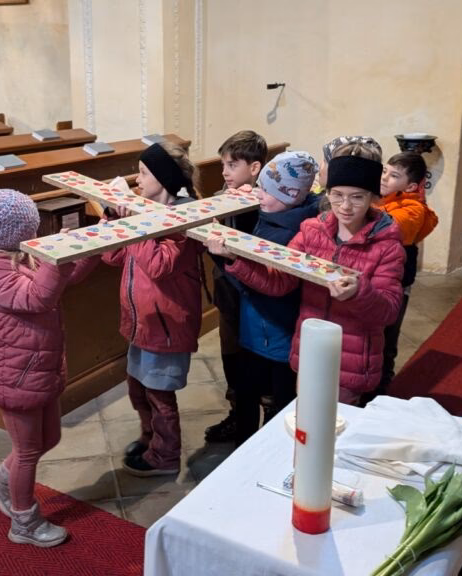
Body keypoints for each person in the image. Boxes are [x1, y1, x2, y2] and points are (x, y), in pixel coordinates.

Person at [0, 184, 98, 547]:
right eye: (32, 229)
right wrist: (57, 258)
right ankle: (23, 522)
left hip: (39, 366)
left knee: (48, 438)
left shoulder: (20, 254)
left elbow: (64, 279)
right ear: (14, 233)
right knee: (26, 452)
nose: (37, 234)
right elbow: (37, 297)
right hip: (15, 373)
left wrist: (89, 248)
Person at [211, 153, 405, 404]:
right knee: (305, 424)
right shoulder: (313, 230)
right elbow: (280, 280)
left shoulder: (386, 246)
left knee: (335, 429)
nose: (345, 206)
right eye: (337, 195)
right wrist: (234, 260)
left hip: (351, 358)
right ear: (328, 193)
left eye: (357, 197)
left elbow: (388, 311)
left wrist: (359, 292)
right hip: (309, 350)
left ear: (372, 198)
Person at [103, 141, 205, 476]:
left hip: (167, 325)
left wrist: (135, 222)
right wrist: (113, 218)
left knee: (160, 395)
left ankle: (166, 456)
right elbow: (113, 256)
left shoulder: (183, 222)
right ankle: (150, 439)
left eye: (144, 173)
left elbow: (160, 266)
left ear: (163, 179)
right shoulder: (145, 211)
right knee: (138, 387)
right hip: (141, 322)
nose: (137, 179)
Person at [206, 151, 320, 445]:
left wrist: (225, 259)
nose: (258, 194)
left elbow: (265, 284)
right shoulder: (271, 213)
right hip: (253, 329)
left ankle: (269, 452)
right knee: (246, 395)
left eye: (265, 190)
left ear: (289, 194)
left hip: (279, 335)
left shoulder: (294, 232)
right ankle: (243, 448)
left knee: (280, 407)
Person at [205, 130, 268, 444]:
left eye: (232, 165)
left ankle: (267, 426)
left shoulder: (267, 203)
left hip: (257, 300)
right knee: (232, 358)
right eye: (223, 164)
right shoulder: (221, 197)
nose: (224, 171)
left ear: (254, 168)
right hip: (228, 294)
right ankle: (239, 417)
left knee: (258, 364)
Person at [376, 152, 438, 396]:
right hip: (378, 279)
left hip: (395, 286)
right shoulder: (383, 198)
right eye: (384, 172)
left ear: (411, 186)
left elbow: (387, 226)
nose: (384, 178)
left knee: (386, 341)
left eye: (394, 176)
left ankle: (381, 391)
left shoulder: (413, 209)